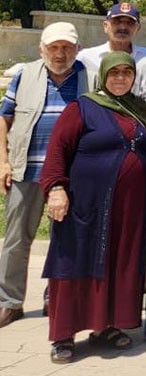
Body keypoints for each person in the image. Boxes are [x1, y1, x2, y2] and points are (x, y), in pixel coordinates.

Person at [40, 52, 146, 364]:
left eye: (126, 72)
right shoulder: (82, 107)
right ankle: (63, 335)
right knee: (74, 262)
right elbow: (57, 149)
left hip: (127, 209)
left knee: (119, 262)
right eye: (114, 72)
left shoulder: (140, 109)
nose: (120, 78)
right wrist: (56, 189)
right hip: (85, 204)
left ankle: (107, 327)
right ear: (103, 75)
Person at [0, 23, 89, 329]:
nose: (60, 54)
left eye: (66, 47)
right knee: (15, 240)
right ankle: (10, 302)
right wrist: (3, 162)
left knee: (63, 240)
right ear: (42, 49)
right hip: (26, 171)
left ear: (77, 50)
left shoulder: (88, 78)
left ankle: (56, 297)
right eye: (54, 47)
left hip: (69, 176)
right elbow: (5, 118)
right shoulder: (25, 75)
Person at [77, 1, 146, 75]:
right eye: (117, 22)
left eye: (130, 23)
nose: (123, 27)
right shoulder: (86, 57)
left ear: (138, 28)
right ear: (105, 26)